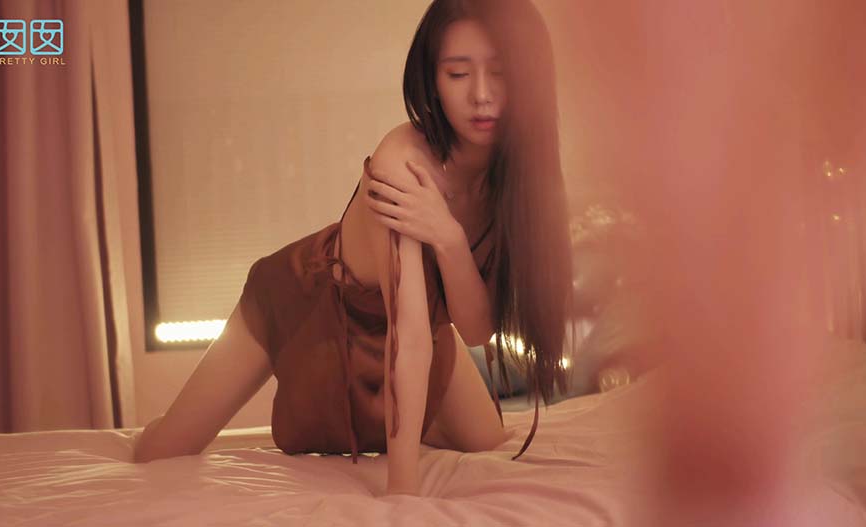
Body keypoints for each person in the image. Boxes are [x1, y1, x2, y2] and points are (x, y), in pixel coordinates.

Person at [133, 0, 573, 497]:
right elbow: (408, 339)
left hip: (418, 330)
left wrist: (447, 235)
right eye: (457, 73)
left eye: (500, 72)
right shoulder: (402, 163)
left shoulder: (513, 178)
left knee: (487, 439)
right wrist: (402, 494)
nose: (482, 96)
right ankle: (160, 428)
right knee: (165, 449)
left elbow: (474, 329)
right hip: (310, 302)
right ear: (432, 80)